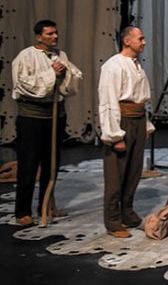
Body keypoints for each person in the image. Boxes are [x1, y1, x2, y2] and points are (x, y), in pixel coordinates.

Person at [11, 20, 83, 226]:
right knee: (29, 163)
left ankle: (46, 204)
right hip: (32, 118)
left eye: (56, 33)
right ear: (39, 37)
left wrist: (64, 73)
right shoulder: (25, 56)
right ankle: (22, 211)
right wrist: (52, 74)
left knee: (51, 163)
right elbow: (24, 84)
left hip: (55, 116)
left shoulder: (60, 55)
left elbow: (74, 78)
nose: (55, 37)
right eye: (50, 34)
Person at [98, 26, 154, 238]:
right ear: (127, 41)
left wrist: (145, 125)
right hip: (122, 121)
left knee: (133, 172)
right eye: (140, 38)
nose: (144, 42)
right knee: (116, 174)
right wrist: (115, 136)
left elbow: (140, 98)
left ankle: (127, 212)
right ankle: (113, 220)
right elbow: (108, 101)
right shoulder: (113, 66)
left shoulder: (136, 64)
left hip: (137, 120)